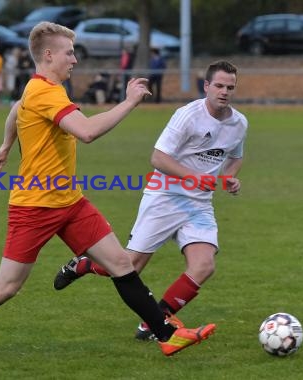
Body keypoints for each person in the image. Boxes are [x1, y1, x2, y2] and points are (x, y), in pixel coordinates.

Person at [0, 22, 216, 361]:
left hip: (70, 202)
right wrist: (129, 101)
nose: (74, 60)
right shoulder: (45, 91)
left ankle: (167, 336)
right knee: (7, 287)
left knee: (120, 263)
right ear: (48, 55)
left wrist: (6, 143)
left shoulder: (42, 88)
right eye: (69, 53)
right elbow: (86, 132)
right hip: (34, 207)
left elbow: (17, 108)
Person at [53, 60, 248, 341]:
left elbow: (235, 155)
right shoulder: (187, 116)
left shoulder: (239, 123)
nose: (224, 91)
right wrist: (192, 177)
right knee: (129, 266)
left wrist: (230, 177)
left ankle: (156, 320)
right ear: (206, 86)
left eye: (230, 87)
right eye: (218, 85)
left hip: (199, 204)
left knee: (204, 266)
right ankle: (83, 264)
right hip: (165, 197)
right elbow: (157, 158)